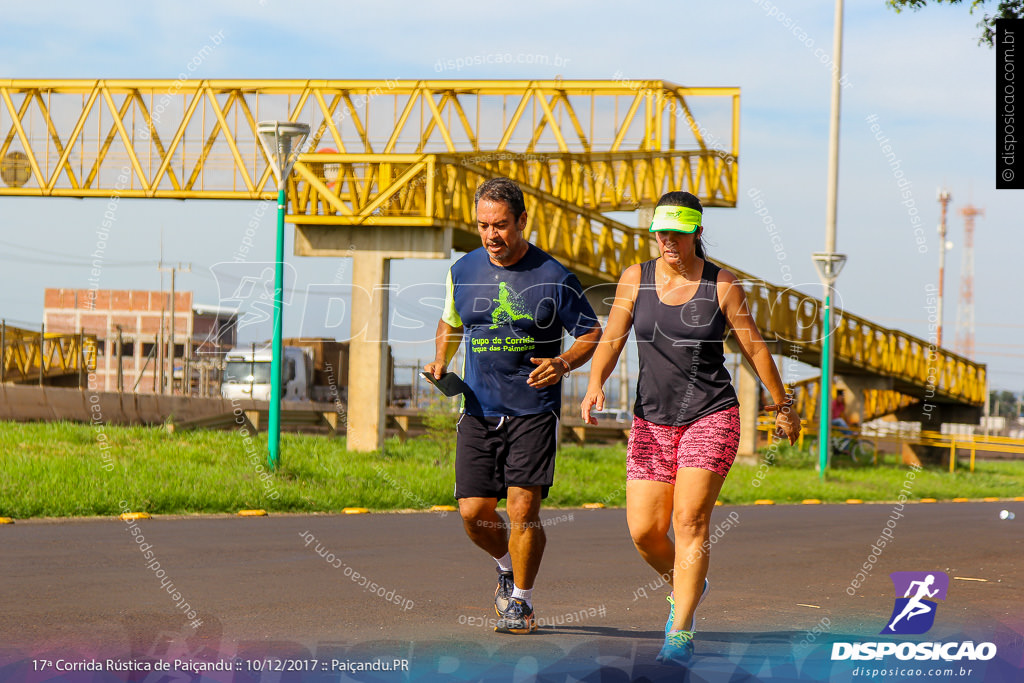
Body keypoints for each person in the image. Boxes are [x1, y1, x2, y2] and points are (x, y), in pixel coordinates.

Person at [580, 191, 801, 664]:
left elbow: (755, 349)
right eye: (661, 233)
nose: (668, 242)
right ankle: (688, 584)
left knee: (689, 523)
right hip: (651, 420)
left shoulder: (722, 284)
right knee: (644, 532)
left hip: (711, 414)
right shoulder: (634, 279)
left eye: (678, 234)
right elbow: (614, 337)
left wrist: (783, 405)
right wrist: (594, 382)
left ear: (697, 233)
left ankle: (679, 631)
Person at [424, 177, 601, 634]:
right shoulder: (462, 270)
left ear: (522, 221)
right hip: (478, 408)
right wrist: (442, 358)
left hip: (533, 409)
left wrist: (562, 363)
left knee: (523, 509)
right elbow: (451, 319)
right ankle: (506, 567)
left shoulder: (555, 276)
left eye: (500, 225)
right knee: (473, 512)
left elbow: (591, 332)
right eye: (483, 226)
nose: (491, 236)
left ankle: (521, 600)